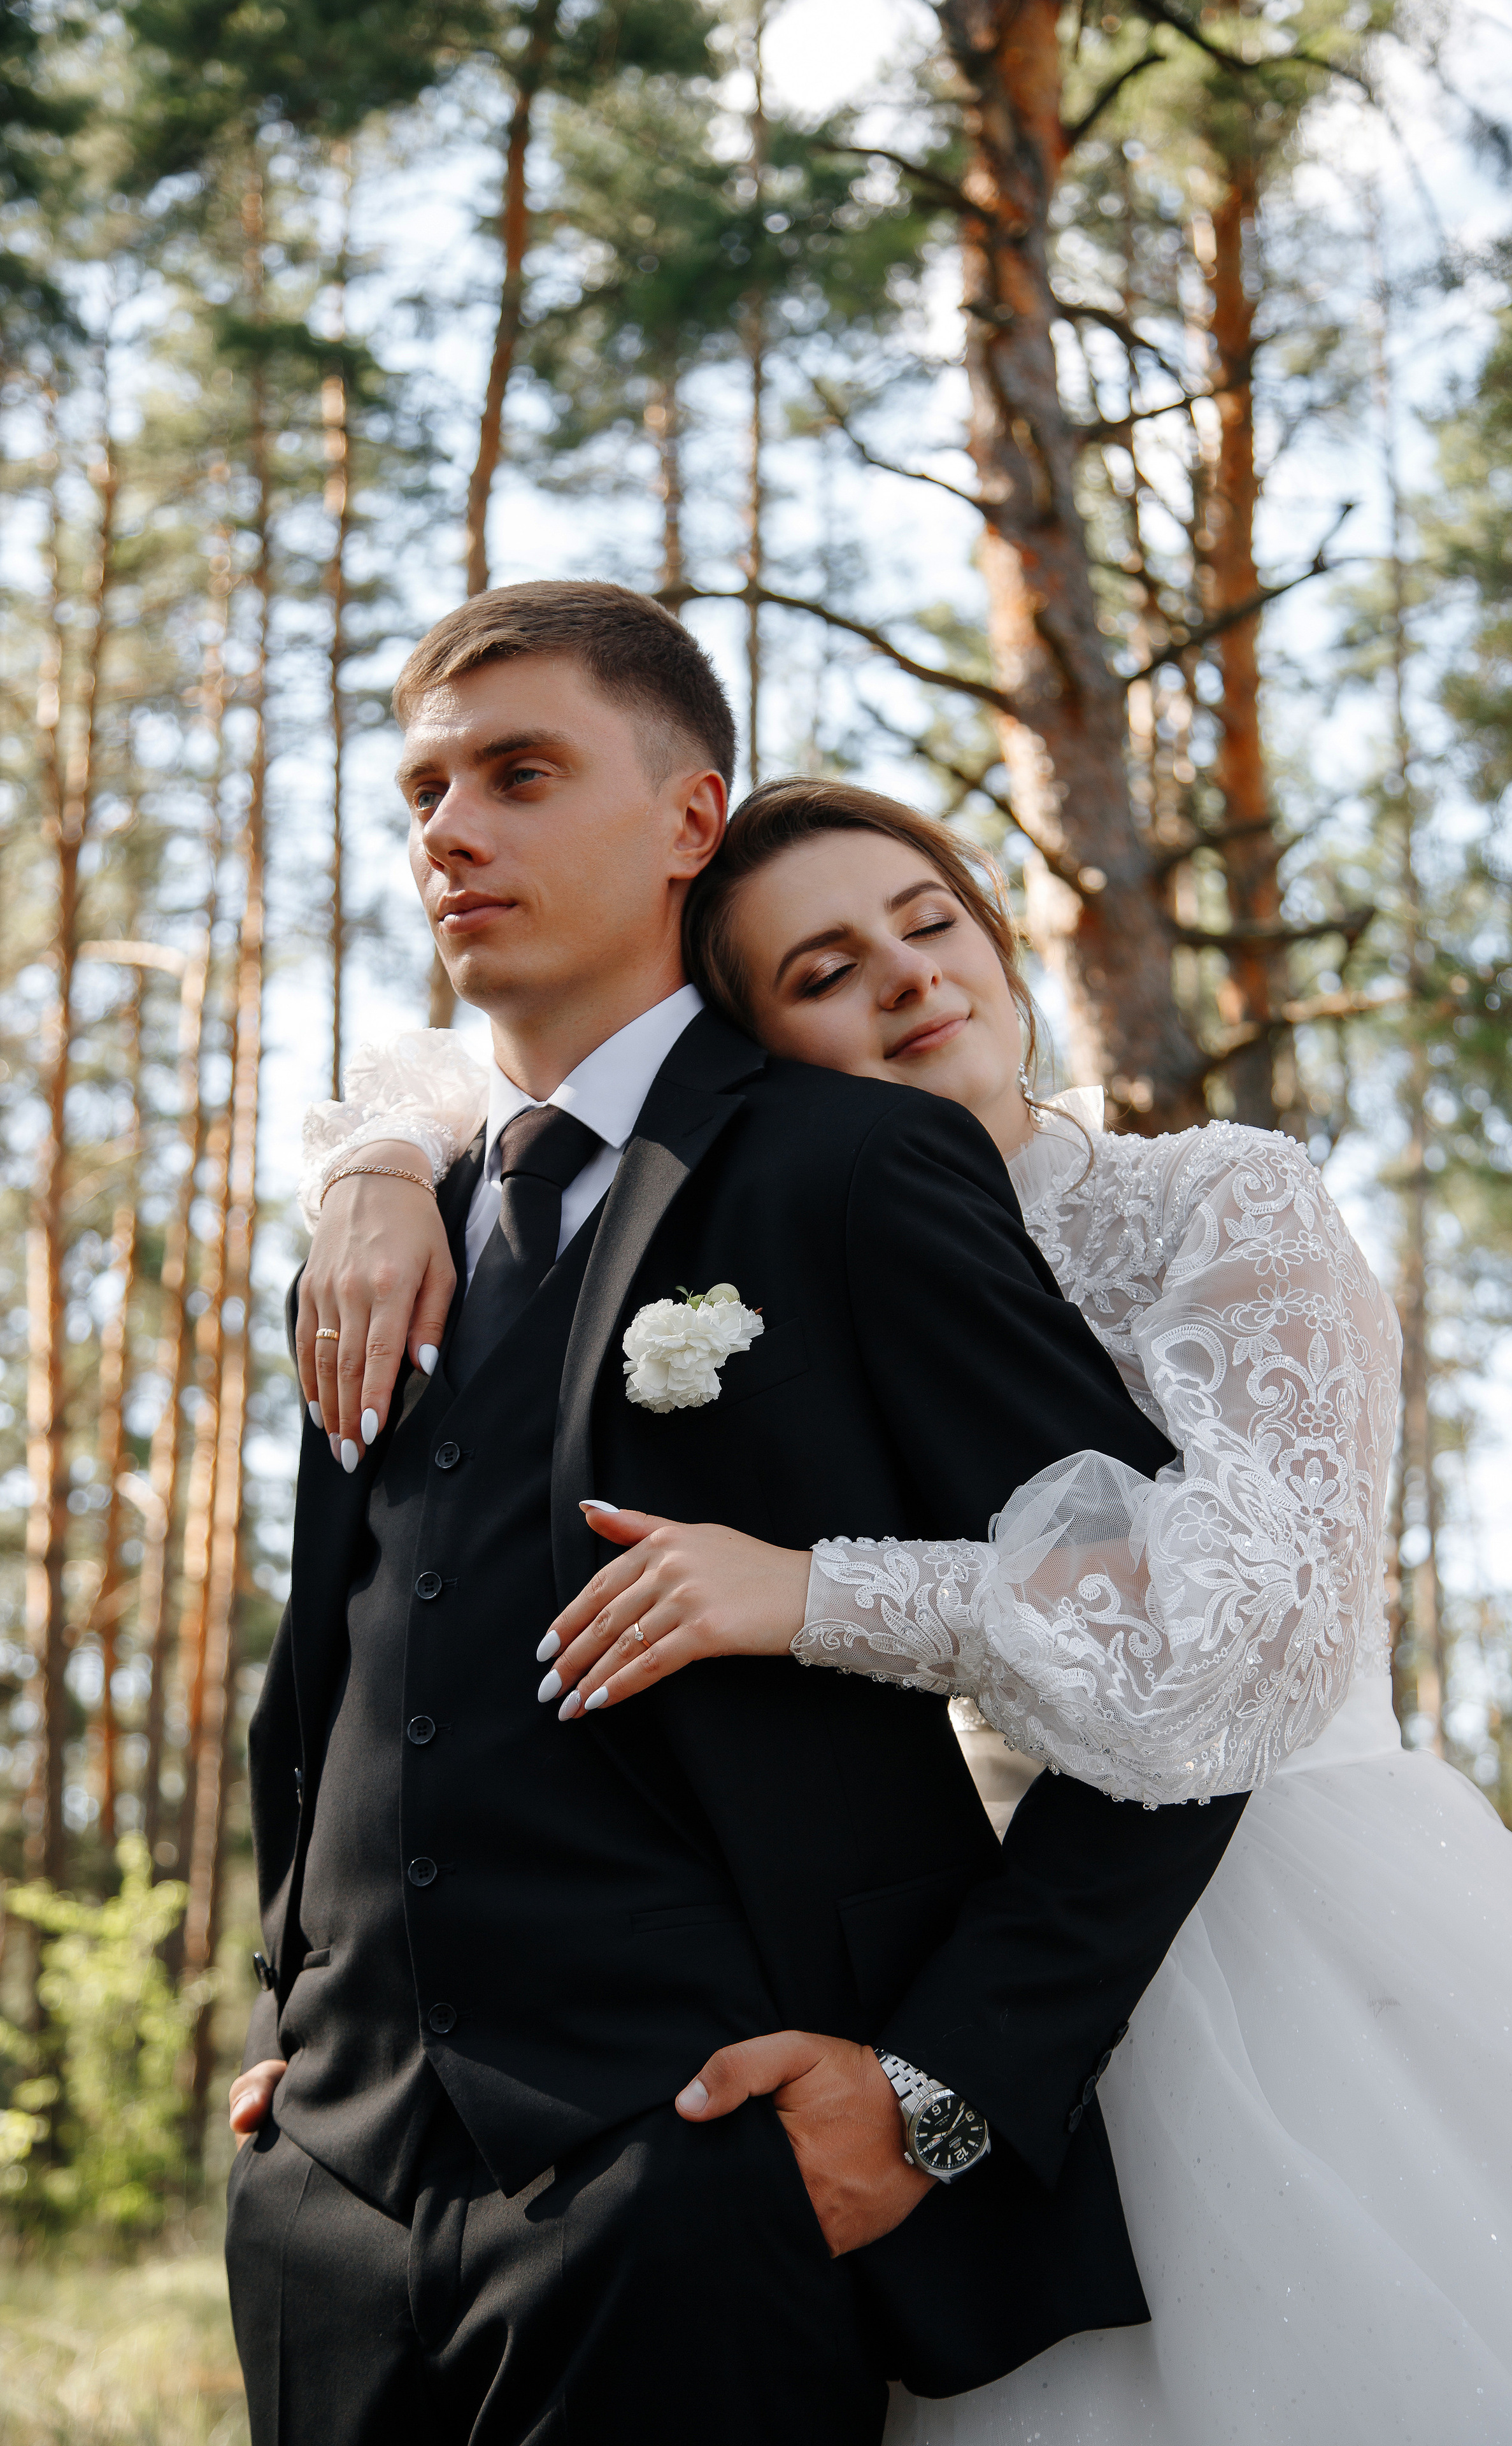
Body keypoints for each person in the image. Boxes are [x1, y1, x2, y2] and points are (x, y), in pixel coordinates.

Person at [295, 773, 1512, 2441]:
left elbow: (1254, 1632)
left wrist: (813, 1594)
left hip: (1298, 1926)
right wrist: (379, 1165)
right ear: (757, 1052)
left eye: (933, 925)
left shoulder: (1217, 1199)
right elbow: (484, 1081)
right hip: (951, 1944)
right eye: (827, 969)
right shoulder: (799, 1228)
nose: (913, 977)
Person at [225, 582, 1250, 2446]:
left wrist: (939, 2092)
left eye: (521, 774)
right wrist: (294, 2011)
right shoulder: (389, 1223)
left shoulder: (857, 1172)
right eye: (424, 791)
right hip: (328, 2197)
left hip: (696, 2179)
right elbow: (332, 1657)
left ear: (693, 821)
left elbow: (1173, 1655)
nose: (451, 831)